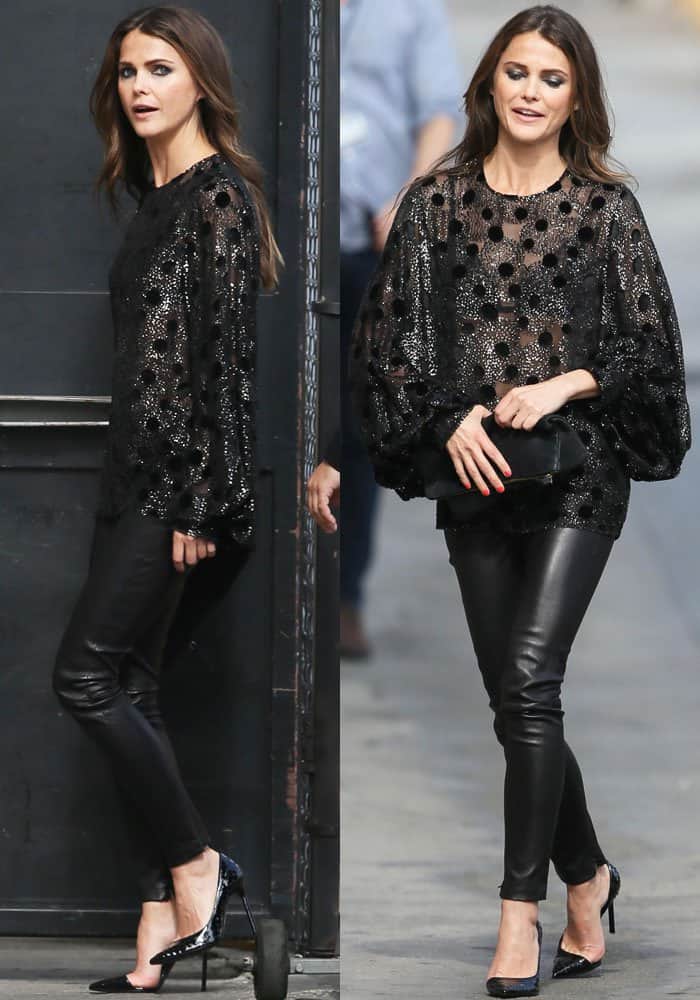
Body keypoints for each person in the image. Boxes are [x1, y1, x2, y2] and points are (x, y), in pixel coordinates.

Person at [349, 4, 690, 996]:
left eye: (552, 78)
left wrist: (563, 383)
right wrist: (447, 417)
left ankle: (517, 914)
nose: (531, 92)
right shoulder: (437, 204)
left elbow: (648, 353)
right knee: (514, 700)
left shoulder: (605, 208)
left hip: (579, 471)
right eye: (517, 72)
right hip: (478, 477)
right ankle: (589, 876)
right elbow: (389, 346)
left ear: (576, 97)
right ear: (488, 83)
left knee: (532, 681)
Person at [52, 6, 281, 993]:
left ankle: (198, 869)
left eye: (160, 68)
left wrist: (197, 503)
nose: (141, 86)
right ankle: (158, 932)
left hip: (173, 487)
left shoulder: (217, 198)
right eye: (129, 71)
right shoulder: (155, 197)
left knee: (85, 679)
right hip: (133, 478)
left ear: (202, 82)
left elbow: (224, 366)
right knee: (133, 689)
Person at [340, 0, 462, 657]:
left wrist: (409, 199)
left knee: (357, 425)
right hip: (285, 240)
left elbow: (440, 108)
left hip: (371, 241)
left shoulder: (410, 9)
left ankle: (343, 596)